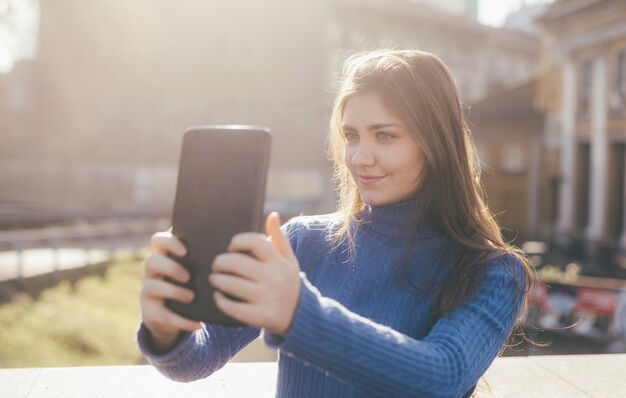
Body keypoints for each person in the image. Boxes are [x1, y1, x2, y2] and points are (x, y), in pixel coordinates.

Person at [137, 49, 536, 397]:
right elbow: (197, 359)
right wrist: (167, 329)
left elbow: (441, 376)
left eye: (385, 136)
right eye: (351, 136)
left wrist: (297, 313)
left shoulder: (494, 271)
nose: (360, 157)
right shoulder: (302, 242)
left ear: (435, 144)